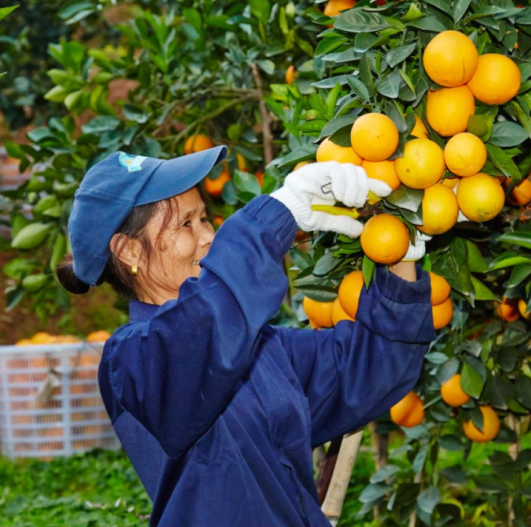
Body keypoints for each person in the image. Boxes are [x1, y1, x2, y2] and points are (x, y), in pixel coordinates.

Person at [57, 147, 437, 526]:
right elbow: (204, 327)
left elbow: (372, 364)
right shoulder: (132, 361)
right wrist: (276, 215)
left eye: (205, 218)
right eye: (186, 225)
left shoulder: (262, 347)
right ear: (129, 252)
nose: (209, 236)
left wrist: (397, 251)